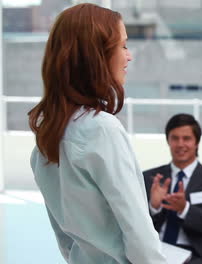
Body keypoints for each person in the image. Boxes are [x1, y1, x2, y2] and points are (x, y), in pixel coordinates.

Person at [28, 4, 166, 264]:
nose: (129, 56)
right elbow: (139, 234)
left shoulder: (46, 138)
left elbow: (64, 237)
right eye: (123, 46)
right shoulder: (102, 129)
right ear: (96, 56)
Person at [143, 113, 202, 264]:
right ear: (168, 141)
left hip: (195, 255)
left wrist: (185, 209)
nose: (180, 144)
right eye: (175, 138)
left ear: (196, 142)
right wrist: (154, 207)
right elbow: (134, 222)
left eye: (187, 138)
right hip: (155, 250)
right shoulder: (150, 178)